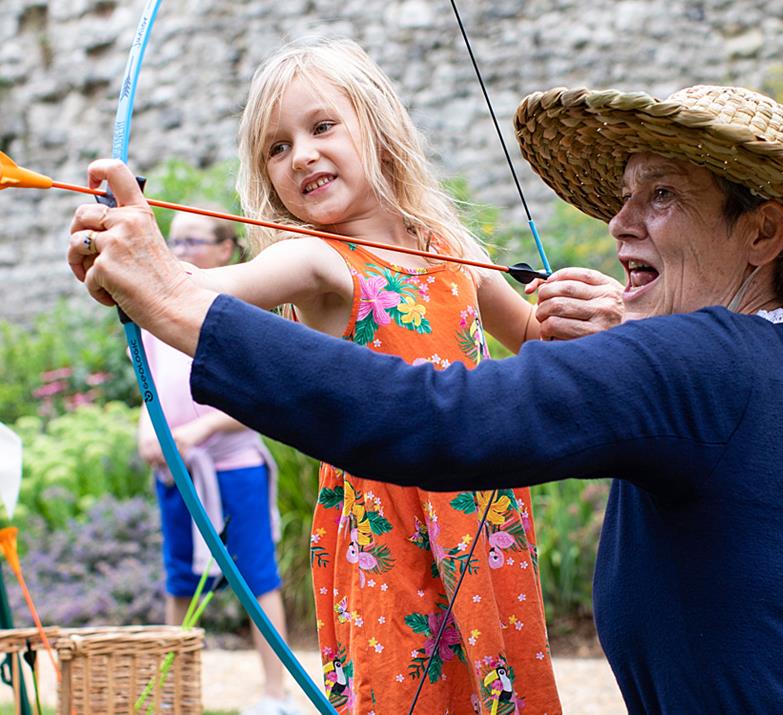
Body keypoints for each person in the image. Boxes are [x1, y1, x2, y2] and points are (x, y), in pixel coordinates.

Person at [70, 83, 783, 713]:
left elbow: (443, 419)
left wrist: (177, 300)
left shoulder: (697, 365)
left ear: (763, 233)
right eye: (624, 196)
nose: (621, 223)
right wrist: (624, 349)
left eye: (660, 195)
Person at [110, 38, 622, 714]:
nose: (303, 154)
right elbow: (210, 289)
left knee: (497, 688)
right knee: (408, 692)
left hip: (481, 514)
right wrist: (142, 259)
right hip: (388, 532)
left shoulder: (448, 245)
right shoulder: (317, 259)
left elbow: (529, 334)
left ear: (377, 131)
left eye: (322, 126)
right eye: (277, 147)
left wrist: (578, 310)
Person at [137, 211, 298, 715]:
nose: (181, 249)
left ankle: (277, 695)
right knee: (180, 578)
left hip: (234, 467)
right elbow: (150, 386)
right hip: (180, 471)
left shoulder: (238, 311)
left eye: (195, 239)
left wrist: (203, 429)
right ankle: (173, 694)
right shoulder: (155, 314)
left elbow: (257, 397)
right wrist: (151, 434)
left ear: (226, 249)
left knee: (257, 577)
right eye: (175, 239)